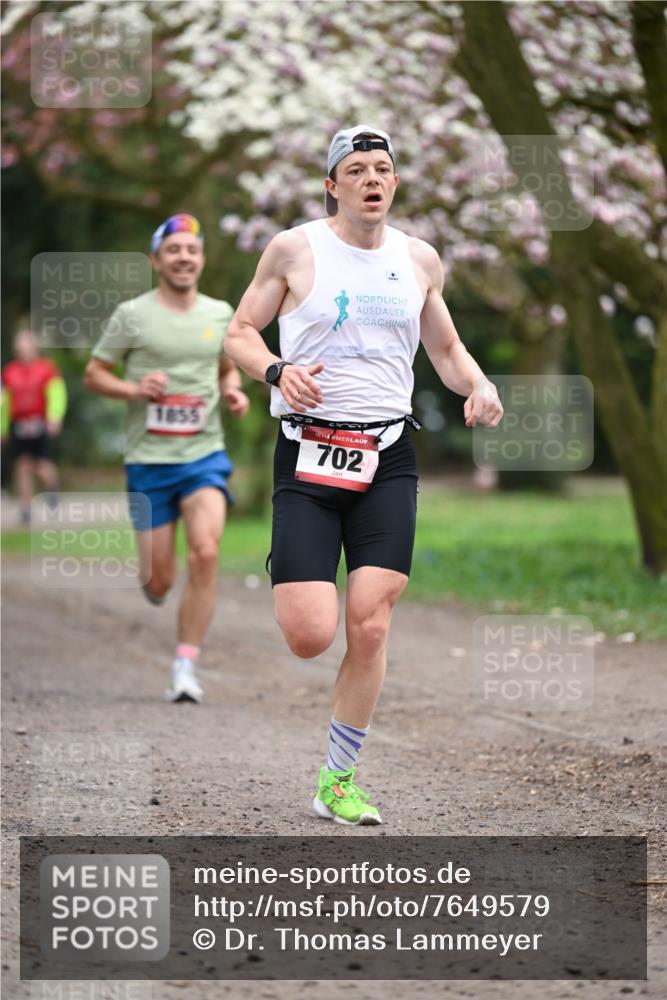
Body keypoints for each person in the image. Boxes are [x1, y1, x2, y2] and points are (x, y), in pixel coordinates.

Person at [224, 125, 504, 825]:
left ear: (394, 183)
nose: (372, 179)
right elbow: (237, 333)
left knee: (371, 624)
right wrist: (278, 371)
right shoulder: (294, 249)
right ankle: (297, 569)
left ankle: (337, 779)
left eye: (382, 168)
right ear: (332, 184)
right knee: (310, 634)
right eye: (356, 169)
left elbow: (444, 347)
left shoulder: (418, 259)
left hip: (387, 456)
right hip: (308, 454)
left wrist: (477, 383)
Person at [85, 213, 249, 703]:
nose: (184, 257)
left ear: (201, 259)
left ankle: (185, 666)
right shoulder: (133, 314)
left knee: (206, 551)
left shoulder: (221, 314)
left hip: (203, 456)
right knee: (160, 578)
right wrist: (135, 389)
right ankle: (155, 583)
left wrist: (234, 392)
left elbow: (227, 370)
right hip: (149, 462)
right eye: (174, 249)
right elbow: (95, 374)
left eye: (192, 250)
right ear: (156, 260)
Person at [1, 329, 67, 525]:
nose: (23, 349)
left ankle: (52, 488)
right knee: (22, 465)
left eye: (26, 345)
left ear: (34, 347)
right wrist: (3, 428)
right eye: (19, 346)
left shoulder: (46, 369)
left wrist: (55, 417)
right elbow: (5, 402)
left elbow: (57, 393)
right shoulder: (9, 371)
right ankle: (25, 508)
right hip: (19, 424)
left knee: (41, 464)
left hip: (40, 422)